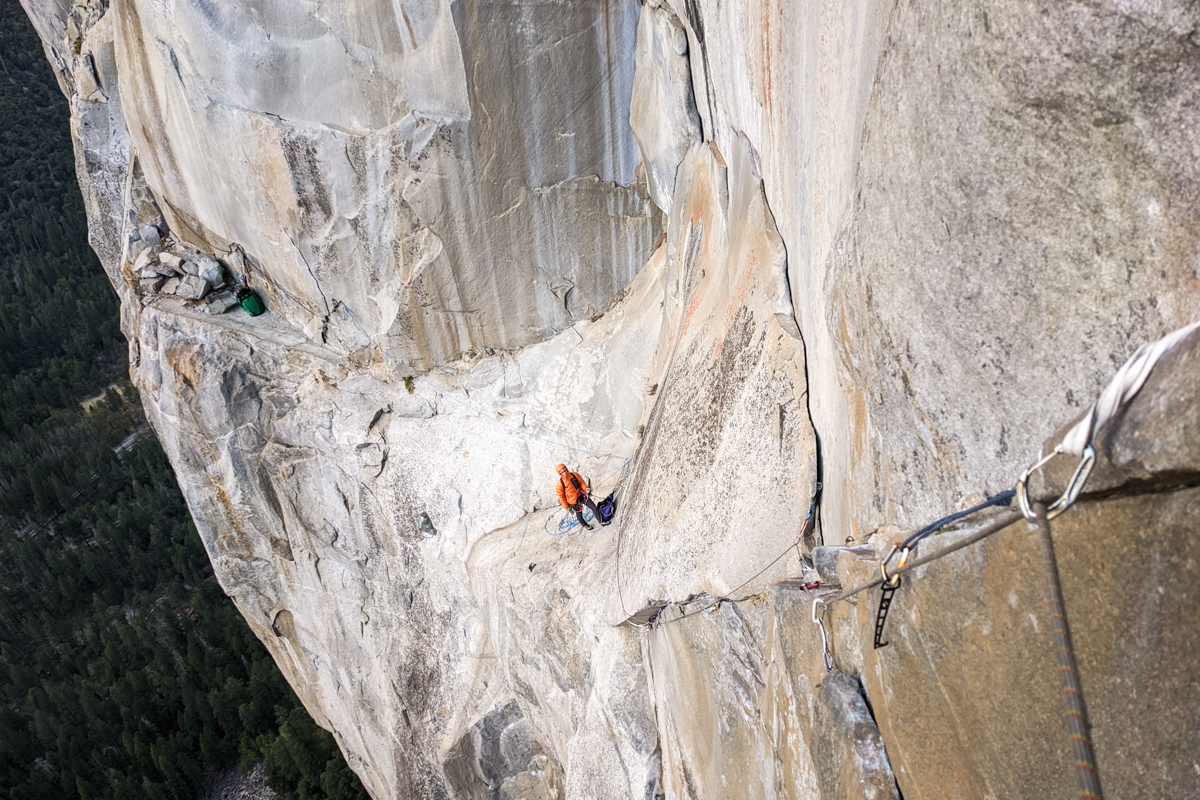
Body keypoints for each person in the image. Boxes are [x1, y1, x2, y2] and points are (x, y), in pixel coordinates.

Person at [555, 464, 600, 530]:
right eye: (562, 472)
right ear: (560, 473)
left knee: (594, 507)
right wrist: (566, 507)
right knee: (579, 514)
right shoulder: (560, 484)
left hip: (581, 495)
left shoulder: (574, 475)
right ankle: (584, 524)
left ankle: (601, 520)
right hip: (574, 501)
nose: (565, 473)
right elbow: (561, 496)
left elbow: (581, 482)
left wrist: (586, 488)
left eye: (565, 471)